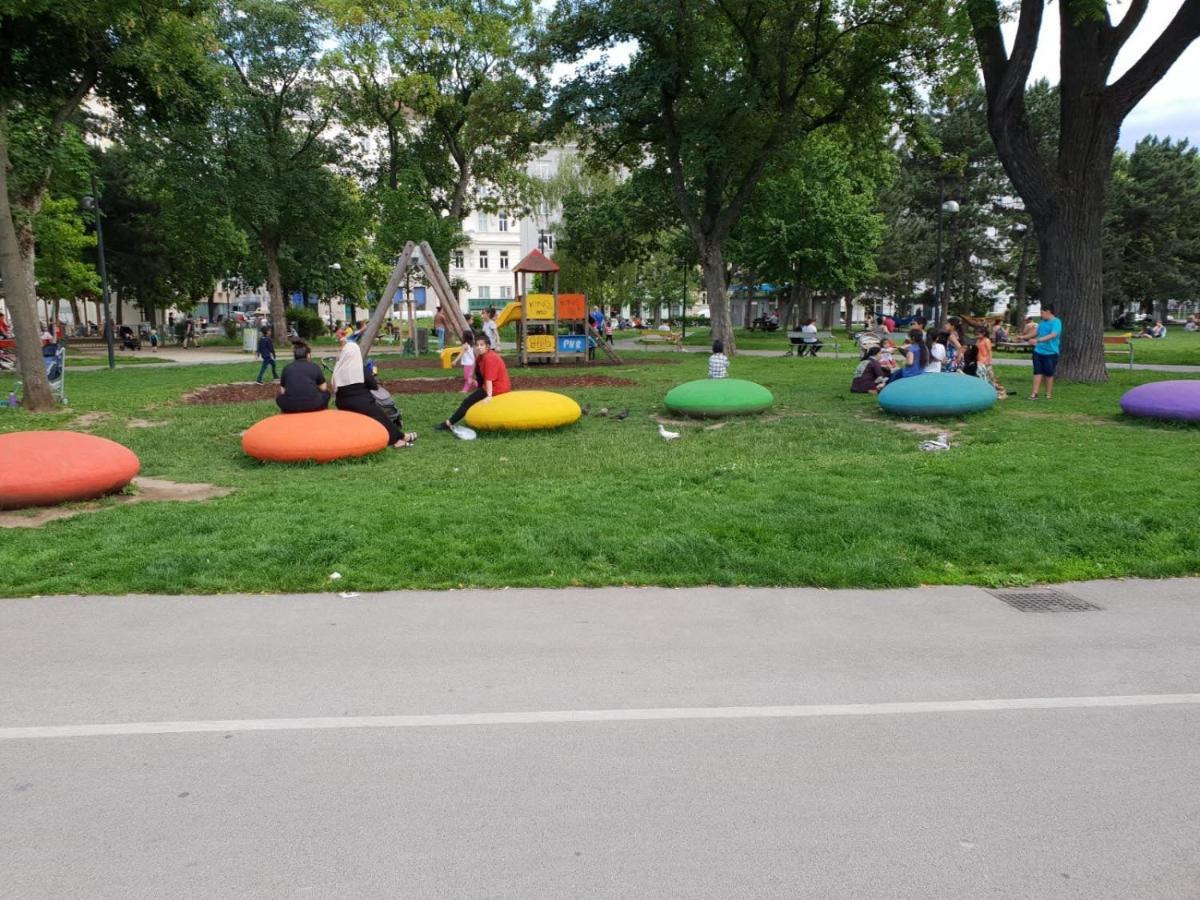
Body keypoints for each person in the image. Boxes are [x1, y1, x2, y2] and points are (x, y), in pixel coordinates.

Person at [332, 334, 414, 447]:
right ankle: (397, 440)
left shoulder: (338, 368)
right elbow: (373, 386)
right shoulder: (360, 368)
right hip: (362, 403)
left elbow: (334, 386)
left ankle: (402, 436)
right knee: (381, 417)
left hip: (342, 403)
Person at [436, 332, 510, 433]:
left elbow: (489, 380)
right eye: (477, 345)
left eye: (482, 345)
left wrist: (488, 395)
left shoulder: (490, 358)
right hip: (490, 385)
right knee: (476, 393)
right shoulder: (482, 356)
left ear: (488, 346)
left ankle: (448, 424)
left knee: (467, 402)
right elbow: (476, 363)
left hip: (497, 387)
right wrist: (470, 376)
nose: (479, 347)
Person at [275, 341, 330, 413]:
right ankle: (322, 413)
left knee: (279, 398)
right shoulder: (314, 366)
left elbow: (282, 391)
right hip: (314, 405)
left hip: (290, 406)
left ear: (294, 355)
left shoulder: (287, 368)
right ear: (308, 355)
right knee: (327, 393)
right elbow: (323, 388)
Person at [1029, 305, 1062, 400]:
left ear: (1048, 312)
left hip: (1051, 353)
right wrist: (1023, 337)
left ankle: (1048, 394)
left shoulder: (1056, 322)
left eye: (1042, 313)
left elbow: (1053, 335)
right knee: (1037, 372)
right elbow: (1035, 333)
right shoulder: (1042, 322)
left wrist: (1038, 340)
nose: (1041, 315)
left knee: (1048, 373)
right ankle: (1034, 394)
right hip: (1038, 351)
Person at [458, 328, 476, 392]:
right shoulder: (470, 345)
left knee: (467, 377)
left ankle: (479, 385)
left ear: (464, 337)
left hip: (468, 364)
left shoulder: (465, 345)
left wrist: (455, 361)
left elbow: (460, 354)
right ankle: (465, 389)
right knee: (468, 377)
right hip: (471, 363)